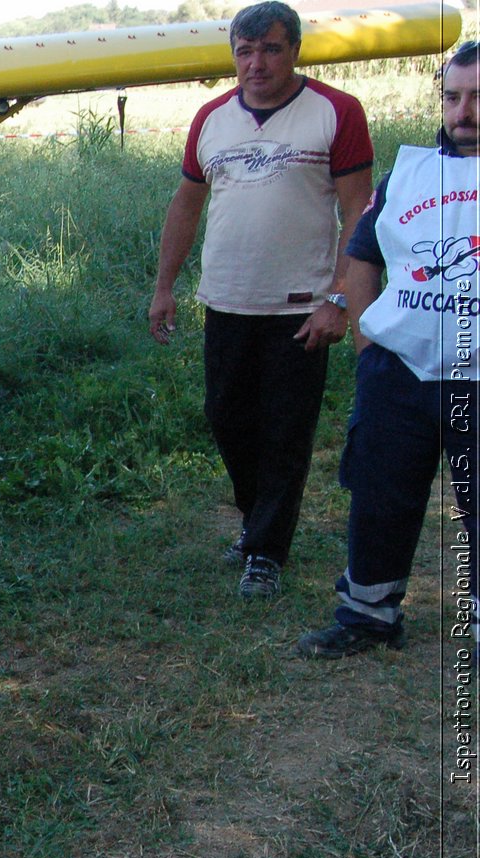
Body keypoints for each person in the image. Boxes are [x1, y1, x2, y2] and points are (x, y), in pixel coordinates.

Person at [149, 1, 374, 600]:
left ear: (294, 51)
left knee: (285, 430)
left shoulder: (337, 112)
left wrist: (341, 300)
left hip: (302, 304)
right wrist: (165, 287)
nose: (256, 64)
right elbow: (187, 203)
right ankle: (256, 521)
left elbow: (360, 210)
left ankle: (267, 551)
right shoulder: (212, 119)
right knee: (228, 421)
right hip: (226, 301)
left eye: (270, 49)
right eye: (244, 52)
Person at [297, 42, 480, 658]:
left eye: (478, 97)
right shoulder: (412, 172)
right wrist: (368, 339)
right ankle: (368, 613)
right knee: (381, 492)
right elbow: (364, 256)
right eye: (453, 96)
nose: (464, 111)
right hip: (399, 370)